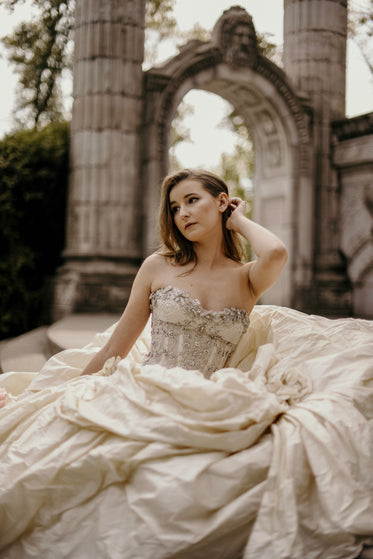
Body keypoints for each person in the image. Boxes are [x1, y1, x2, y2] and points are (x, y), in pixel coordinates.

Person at [0, 169, 372, 559]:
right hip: (145, 386)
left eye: (193, 200)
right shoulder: (158, 266)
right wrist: (70, 387)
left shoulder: (246, 278)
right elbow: (118, 345)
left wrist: (240, 220)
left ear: (222, 201)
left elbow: (276, 252)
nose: (182, 214)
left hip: (208, 397)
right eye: (175, 207)